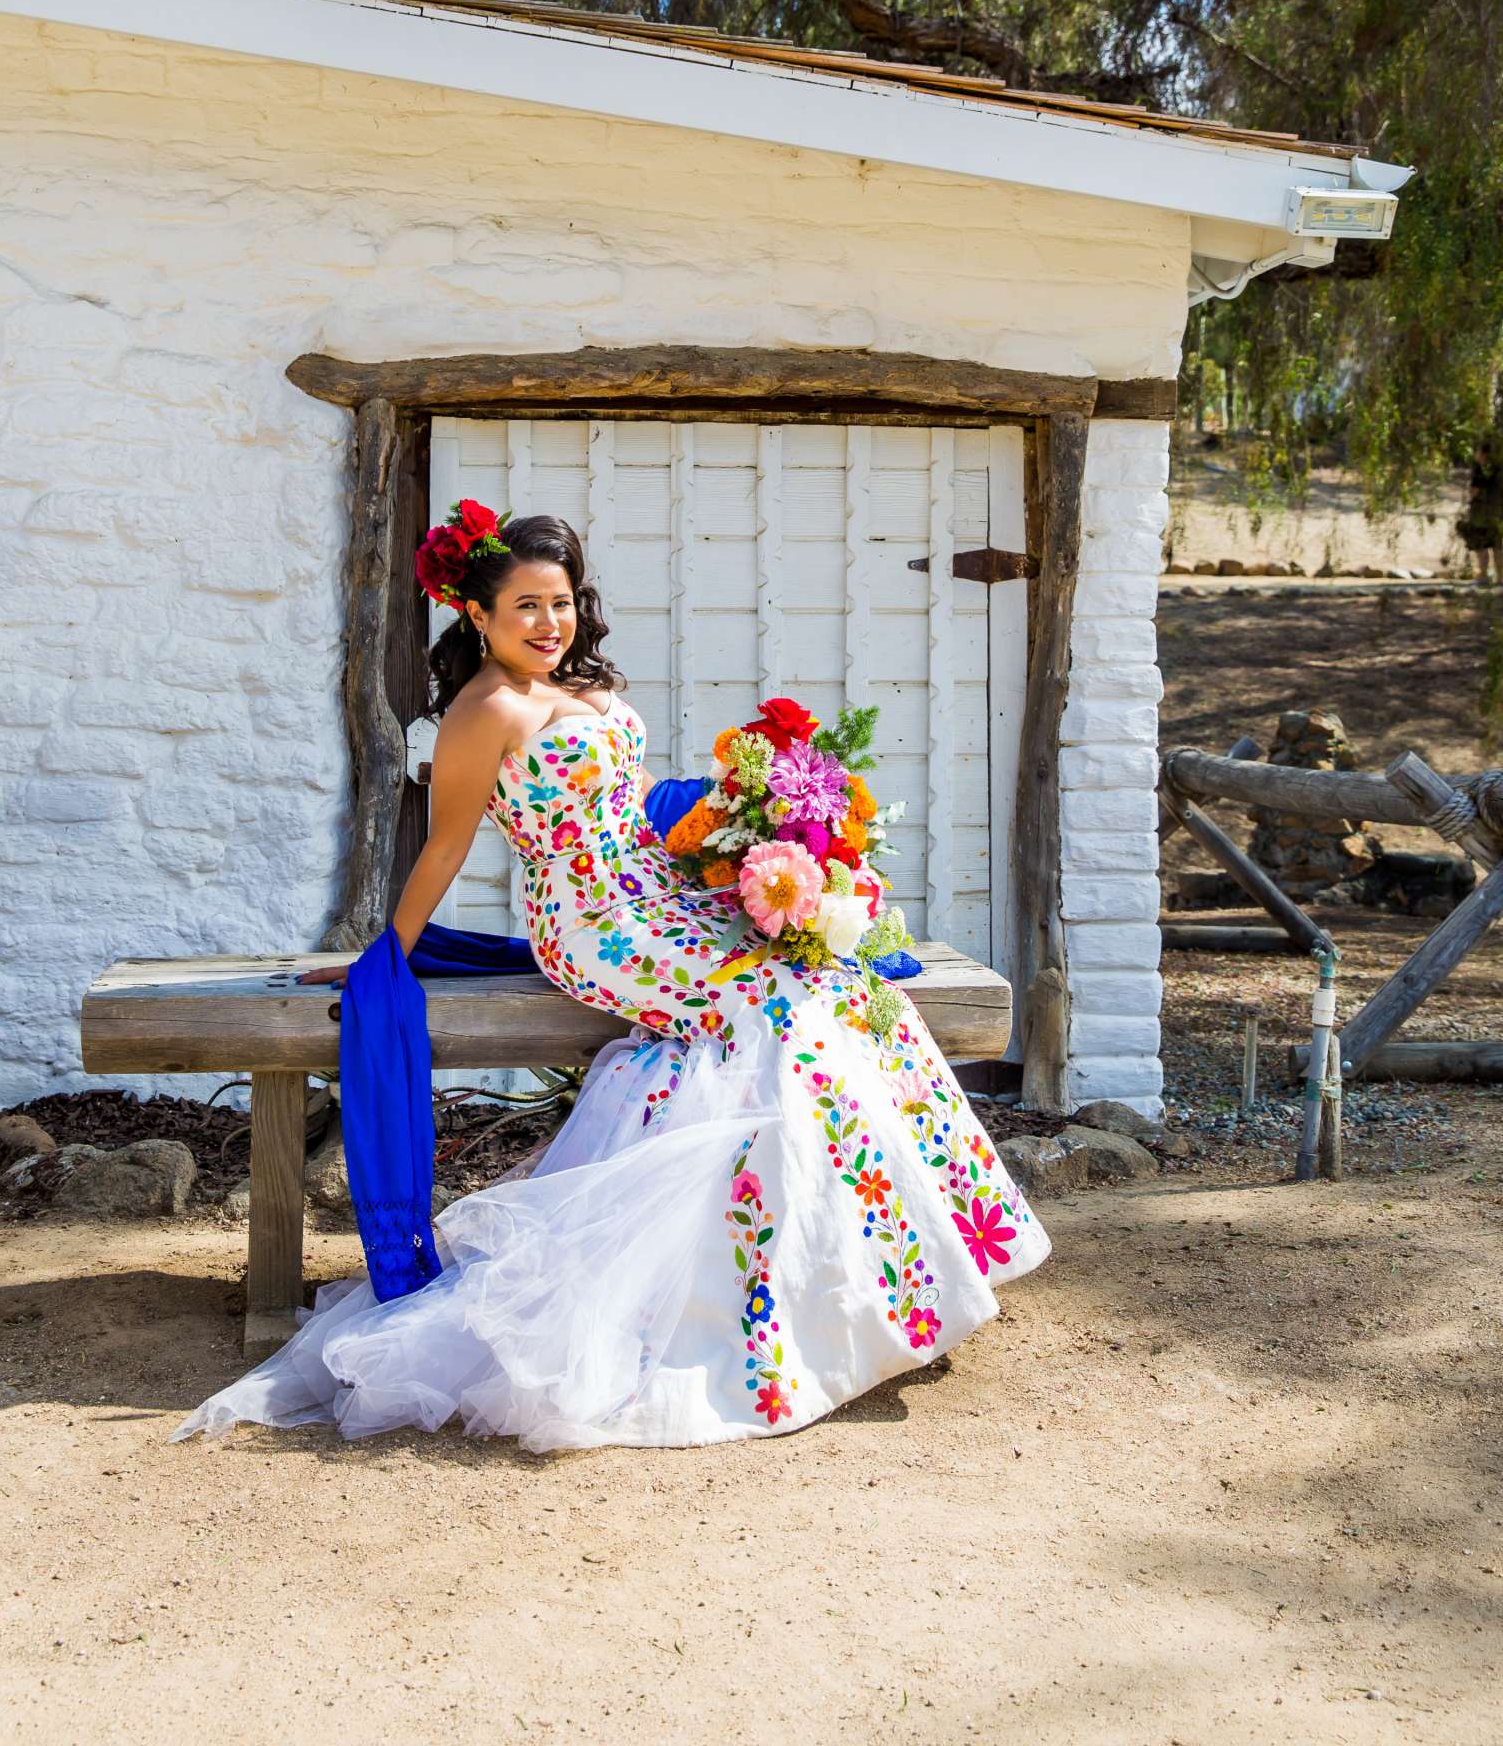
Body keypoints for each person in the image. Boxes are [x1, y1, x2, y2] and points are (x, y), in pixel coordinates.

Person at [174, 507, 1049, 1449]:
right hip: (595, 922)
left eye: (559, 603)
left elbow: (635, 806)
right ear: (477, 613)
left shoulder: (580, 685)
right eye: (525, 608)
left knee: (832, 980)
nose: (548, 624)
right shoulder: (486, 712)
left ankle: (899, 1264)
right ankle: (762, 1307)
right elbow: (446, 848)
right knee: (771, 1006)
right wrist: (386, 951)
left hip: (658, 889)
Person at [1460, 433, 1503, 583]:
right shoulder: (1498, 469)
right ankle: (1500, 578)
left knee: (1482, 546)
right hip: (1497, 514)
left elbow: (1474, 491)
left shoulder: (1479, 470)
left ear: (1483, 453)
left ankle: (1483, 576)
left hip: (1481, 514)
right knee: (1497, 545)